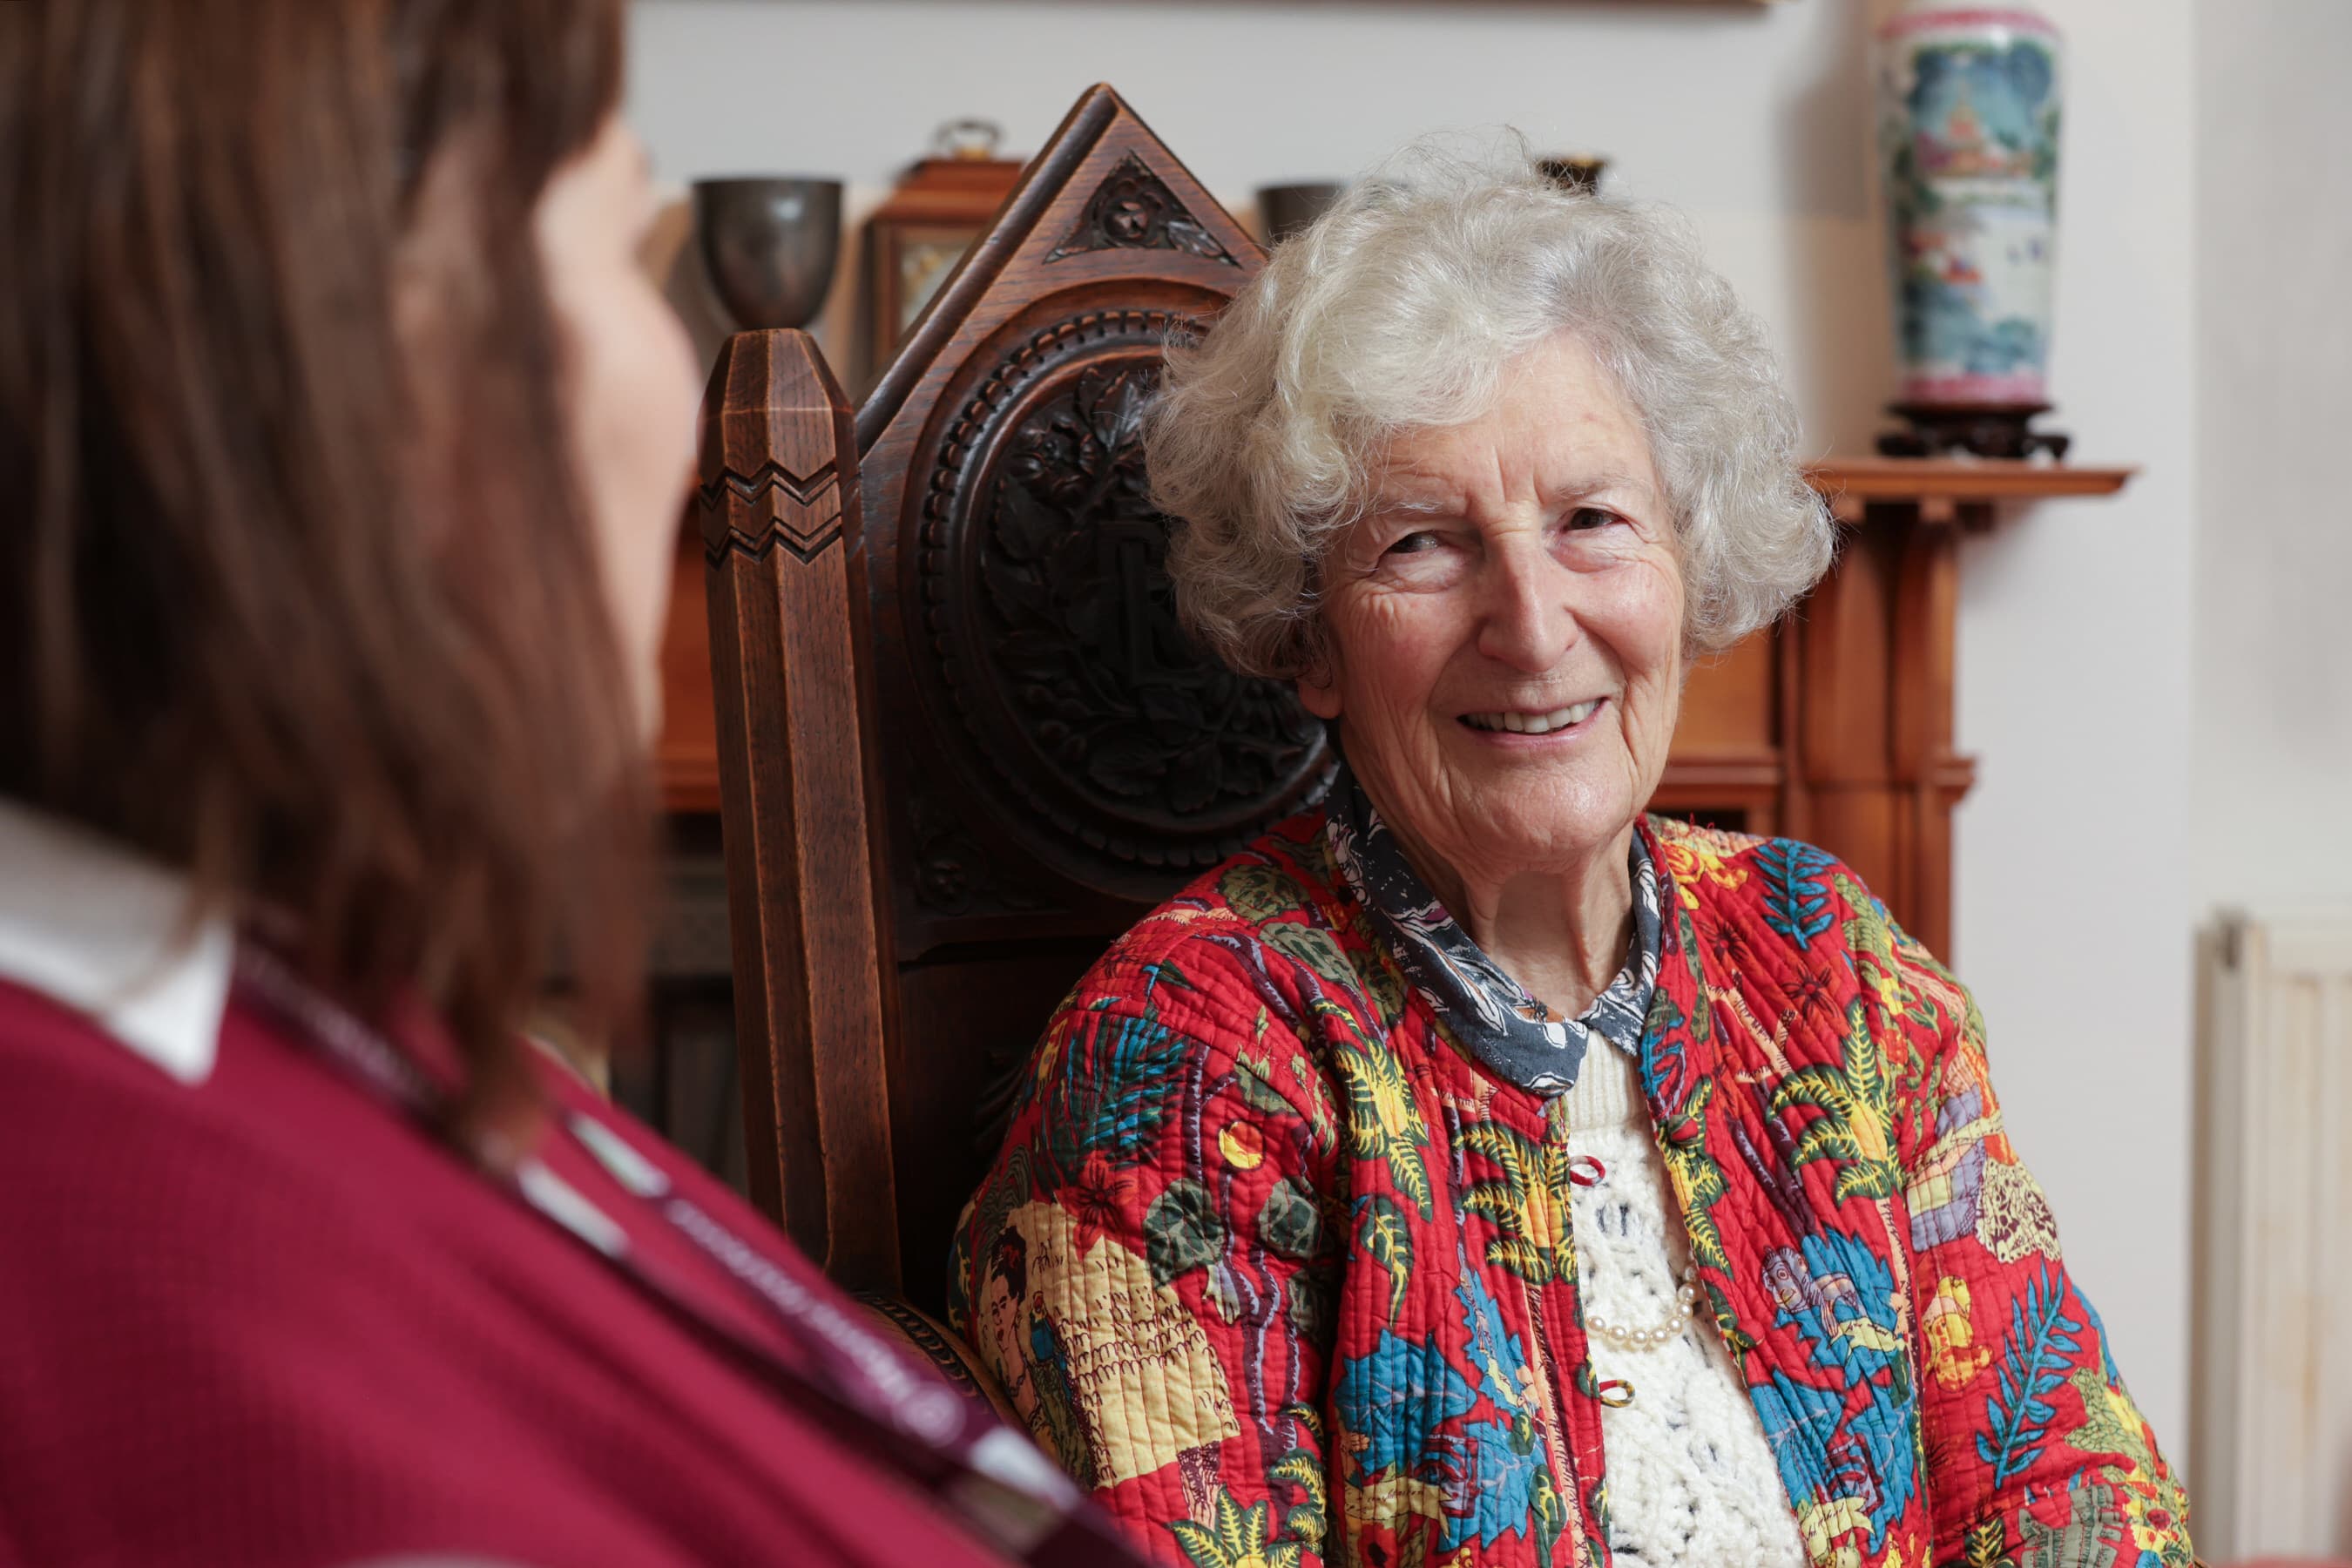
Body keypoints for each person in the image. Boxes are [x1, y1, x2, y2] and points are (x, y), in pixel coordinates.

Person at [0, 3, 1143, 1565]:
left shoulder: (304, 1017)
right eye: (623, 243)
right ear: (378, 373)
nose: (677, 398)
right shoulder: (166, 1321)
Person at [946, 153, 2194, 1568]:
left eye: (1592, 520)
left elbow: (2067, 1481)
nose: (1533, 627)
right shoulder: (1193, 1050)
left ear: (1687, 560)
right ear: (1309, 635)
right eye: (1424, 544)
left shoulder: (1827, 960)